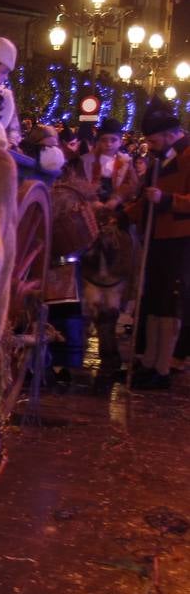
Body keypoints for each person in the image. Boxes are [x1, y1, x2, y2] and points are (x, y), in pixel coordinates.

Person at [121, 105, 190, 389]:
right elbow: (145, 198)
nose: (149, 145)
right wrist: (125, 215)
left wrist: (167, 199)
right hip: (156, 238)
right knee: (152, 300)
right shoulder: (159, 160)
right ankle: (148, 361)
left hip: (180, 239)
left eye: (154, 139)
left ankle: (164, 366)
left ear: (170, 134)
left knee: (169, 303)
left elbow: (165, 198)